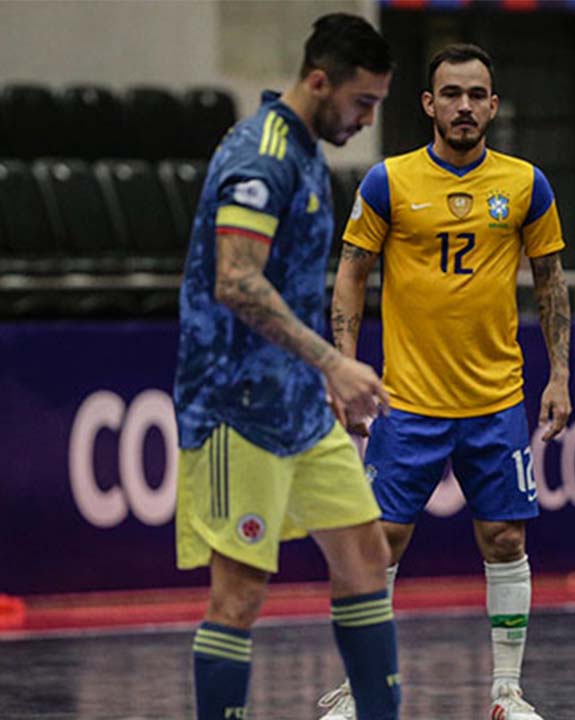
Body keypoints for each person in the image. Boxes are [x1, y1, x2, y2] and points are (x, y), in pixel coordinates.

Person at [321, 43, 571, 720]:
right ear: (429, 104)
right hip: (410, 401)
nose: (464, 106)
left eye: (476, 95)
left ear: (493, 104)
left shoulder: (526, 184)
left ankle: (507, 692)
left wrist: (560, 376)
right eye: (450, 94)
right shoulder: (388, 182)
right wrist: (344, 366)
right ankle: (359, 689)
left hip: (495, 401)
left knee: (506, 540)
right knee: (380, 544)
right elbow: (350, 272)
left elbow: (549, 281)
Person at [172, 14, 401, 720]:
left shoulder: (306, 154)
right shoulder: (260, 154)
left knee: (364, 557)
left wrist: (320, 378)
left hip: (300, 403)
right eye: (361, 103)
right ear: (318, 80)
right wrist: (334, 362)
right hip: (236, 406)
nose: (367, 120)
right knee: (239, 591)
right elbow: (237, 282)